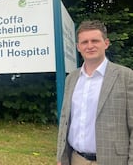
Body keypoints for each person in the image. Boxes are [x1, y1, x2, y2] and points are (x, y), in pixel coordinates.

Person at [56, 20, 133, 165]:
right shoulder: (71, 78)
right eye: (84, 42)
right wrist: (61, 156)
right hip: (76, 159)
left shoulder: (126, 76)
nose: (90, 46)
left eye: (95, 41)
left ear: (106, 43)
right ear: (78, 47)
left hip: (113, 161)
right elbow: (65, 119)